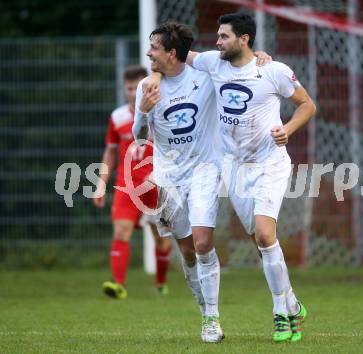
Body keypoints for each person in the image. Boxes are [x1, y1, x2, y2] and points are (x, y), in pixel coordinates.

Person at [186, 13, 316, 342]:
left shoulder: (272, 70)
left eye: (224, 36)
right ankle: (293, 305)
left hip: (270, 164)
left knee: (263, 233)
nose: (217, 41)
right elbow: (175, 53)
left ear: (244, 39)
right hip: (234, 167)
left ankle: (280, 315)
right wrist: (156, 68)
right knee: (259, 241)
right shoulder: (213, 63)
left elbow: (306, 105)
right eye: (217, 36)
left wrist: (286, 130)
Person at [132, 22, 225, 343]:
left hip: (204, 170)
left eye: (154, 47)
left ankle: (212, 318)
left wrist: (262, 58)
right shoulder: (148, 87)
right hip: (169, 178)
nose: (148, 53)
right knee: (186, 253)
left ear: (172, 53)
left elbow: (237, 63)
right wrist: (144, 112)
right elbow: (139, 139)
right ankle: (203, 310)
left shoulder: (205, 76)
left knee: (202, 243)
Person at [93, 65, 172, 300]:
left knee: (160, 238)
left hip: (154, 186)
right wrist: (100, 183)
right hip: (125, 186)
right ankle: (118, 285)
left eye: (137, 87)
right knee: (121, 230)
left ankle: (161, 282)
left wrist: (161, 173)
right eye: (129, 88)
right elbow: (110, 152)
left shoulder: (162, 114)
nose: (133, 92)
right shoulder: (117, 118)